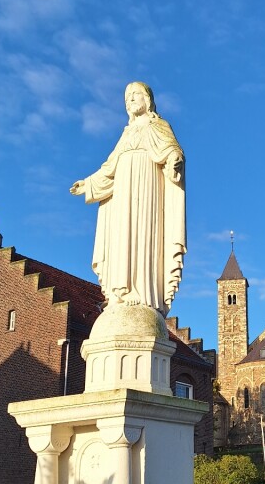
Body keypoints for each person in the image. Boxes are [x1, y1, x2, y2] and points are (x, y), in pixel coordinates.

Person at [71, 82, 186, 314]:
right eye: (127, 97)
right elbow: (109, 168)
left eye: (136, 95)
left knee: (143, 235)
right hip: (123, 196)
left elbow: (174, 151)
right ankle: (120, 292)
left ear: (148, 100)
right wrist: (89, 183)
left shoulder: (159, 126)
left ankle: (143, 292)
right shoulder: (126, 135)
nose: (130, 99)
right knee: (122, 237)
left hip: (148, 191)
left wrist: (175, 159)